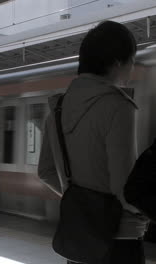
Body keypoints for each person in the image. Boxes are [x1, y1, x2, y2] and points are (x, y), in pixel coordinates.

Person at [38, 21, 148, 264]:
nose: (131, 70)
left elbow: (45, 172)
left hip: (80, 240)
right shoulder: (119, 107)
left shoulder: (57, 108)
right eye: (131, 61)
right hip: (119, 241)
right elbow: (126, 190)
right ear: (118, 62)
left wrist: (81, 202)